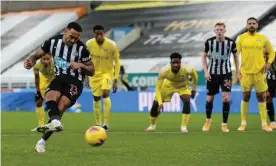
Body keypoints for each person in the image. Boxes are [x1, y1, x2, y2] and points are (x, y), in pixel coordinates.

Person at [24, 22, 95, 152]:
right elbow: (36, 55)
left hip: (75, 81)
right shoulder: (52, 42)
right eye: (71, 36)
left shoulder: (82, 49)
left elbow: (92, 70)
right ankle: (56, 122)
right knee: (49, 96)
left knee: (61, 106)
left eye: (76, 38)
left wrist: (82, 66)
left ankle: (42, 141)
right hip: (59, 77)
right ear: (65, 31)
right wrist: (30, 61)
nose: (73, 40)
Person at [236, 17, 275, 132]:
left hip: (260, 73)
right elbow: (236, 54)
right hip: (245, 73)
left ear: (257, 25)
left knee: (261, 97)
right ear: (247, 26)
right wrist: (237, 71)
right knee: (245, 96)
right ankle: (243, 123)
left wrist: (268, 63)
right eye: (249, 23)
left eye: (254, 23)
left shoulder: (262, 38)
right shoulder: (241, 38)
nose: (252, 25)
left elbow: (272, 52)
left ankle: (264, 124)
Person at [144, 52, 198, 133]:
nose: (176, 65)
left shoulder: (187, 69)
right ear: (170, 63)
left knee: (187, 101)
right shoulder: (164, 71)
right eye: (174, 63)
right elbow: (158, 88)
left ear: (180, 62)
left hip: (182, 86)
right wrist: (160, 103)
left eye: (178, 63)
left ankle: (183, 127)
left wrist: (194, 89)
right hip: (168, 85)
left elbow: (195, 77)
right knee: (155, 104)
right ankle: (152, 126)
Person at [201, 22, 239, 132]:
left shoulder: (231, 43)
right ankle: (208, 120)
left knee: (226, 98)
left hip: (226, 74)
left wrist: (237, 70)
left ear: (224, 31)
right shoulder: (209, 42)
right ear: (214, 31)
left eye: (221, 30)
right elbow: (203, 55)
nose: (219, 32)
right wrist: (206, 71)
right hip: (212, 74)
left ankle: (224, 124)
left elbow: (236, 56)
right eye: (217, 30)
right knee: (209, 99)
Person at [86, 25, 121, 132]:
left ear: (104, 33)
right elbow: (86, 61)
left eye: (101, 33)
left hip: (107, 73)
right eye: (97, 34)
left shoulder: (111, 45)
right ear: (94, 34)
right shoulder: (89, 44)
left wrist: (115, 79)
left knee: (105, 94)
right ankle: (98, 123)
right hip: (94, 75)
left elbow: (117, 62)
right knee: (96, 98)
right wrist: (87, 76)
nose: (99, 36)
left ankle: (105, 124)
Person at [32, 54, 54, 127]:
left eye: (48, 59)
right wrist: (38, 90)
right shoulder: (37, 66)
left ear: (51, 58)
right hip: (43, 82)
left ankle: (54, 122)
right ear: (41, 58)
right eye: (44, 59)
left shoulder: (56, 64)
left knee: (53, 104)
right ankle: (41, 124)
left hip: (53, 82)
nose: (46, 61)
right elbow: (36, 78)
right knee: (38, 103)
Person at [265, 51, 276, 129]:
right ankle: (272, 122)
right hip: (269, 80)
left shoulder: (273, 54)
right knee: (268, 98)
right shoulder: (260, 56)